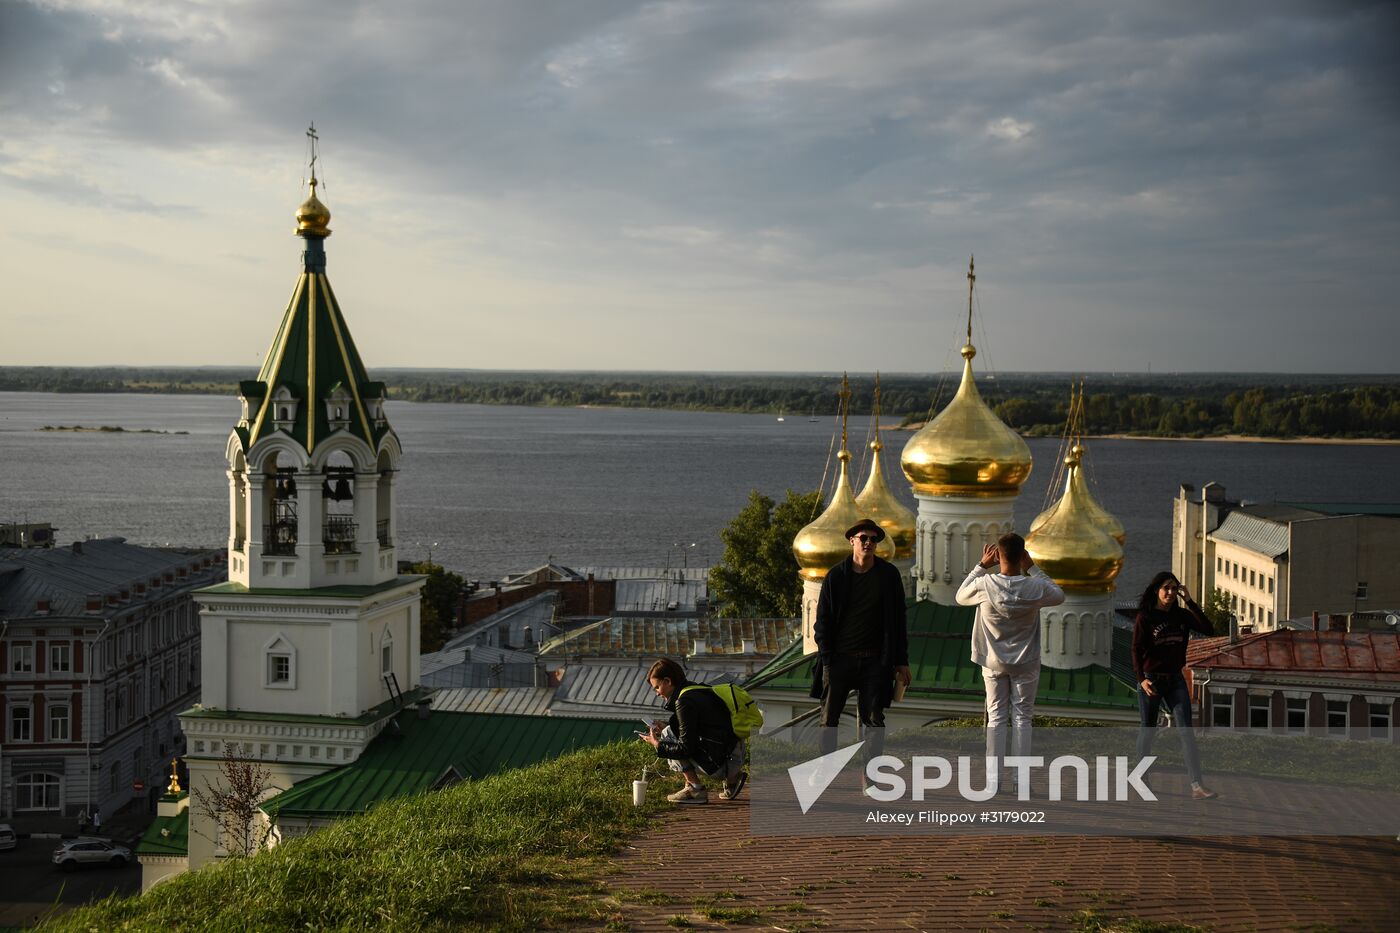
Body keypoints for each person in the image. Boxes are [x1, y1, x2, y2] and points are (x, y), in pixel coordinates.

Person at [956, 532, 1064, 792]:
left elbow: (960, 596)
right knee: (1022, 719)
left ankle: (994, 780)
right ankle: (1020, 781)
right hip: (1025, 662)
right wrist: (1033, 568)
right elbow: (1059, 595)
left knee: (996, 719)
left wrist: (981, 566)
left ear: (999, 556)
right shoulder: (1034, 587)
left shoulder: (986, 584)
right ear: (1022, 555)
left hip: (992, 662)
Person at [811, 518, 911, 787]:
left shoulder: (888, 576)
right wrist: (828, 656)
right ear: (852, 540)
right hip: (840, 660)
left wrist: (900, 661)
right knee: (828, 719)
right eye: (863, 538)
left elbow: (898, 620)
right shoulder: (836, 575)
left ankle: (871, 775)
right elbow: (822, 620)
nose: (869, 543)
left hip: (875, 661)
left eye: (874, 539)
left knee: (875, 721)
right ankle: (825, 770)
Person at [1132, 572, 1218, 800]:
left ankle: (1197, 785)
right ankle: (1141, 777)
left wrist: (1190, 601)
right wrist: (1141, 679)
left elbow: (1208, 629)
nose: (1170, 593)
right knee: (1148, 729)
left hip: (1175, 680)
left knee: (1186, 732)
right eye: (1165, 588)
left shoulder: (1181, 615)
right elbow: (1136, 650)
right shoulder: (1146, 617)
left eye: (1173, 588)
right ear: (1156, 591)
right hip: (1151, 679)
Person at [641, 657, 745, 804]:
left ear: (668, 681)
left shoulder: (684, 702)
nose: (657, 693)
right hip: (735, 755)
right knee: (670, 730)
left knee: (667, 736)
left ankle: (695, 788)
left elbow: (685, 748)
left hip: (721, 765)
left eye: (657, 687)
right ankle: (732, 780)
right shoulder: (697, 689)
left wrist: (657, 744)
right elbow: (706, 728)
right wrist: (668, 727)